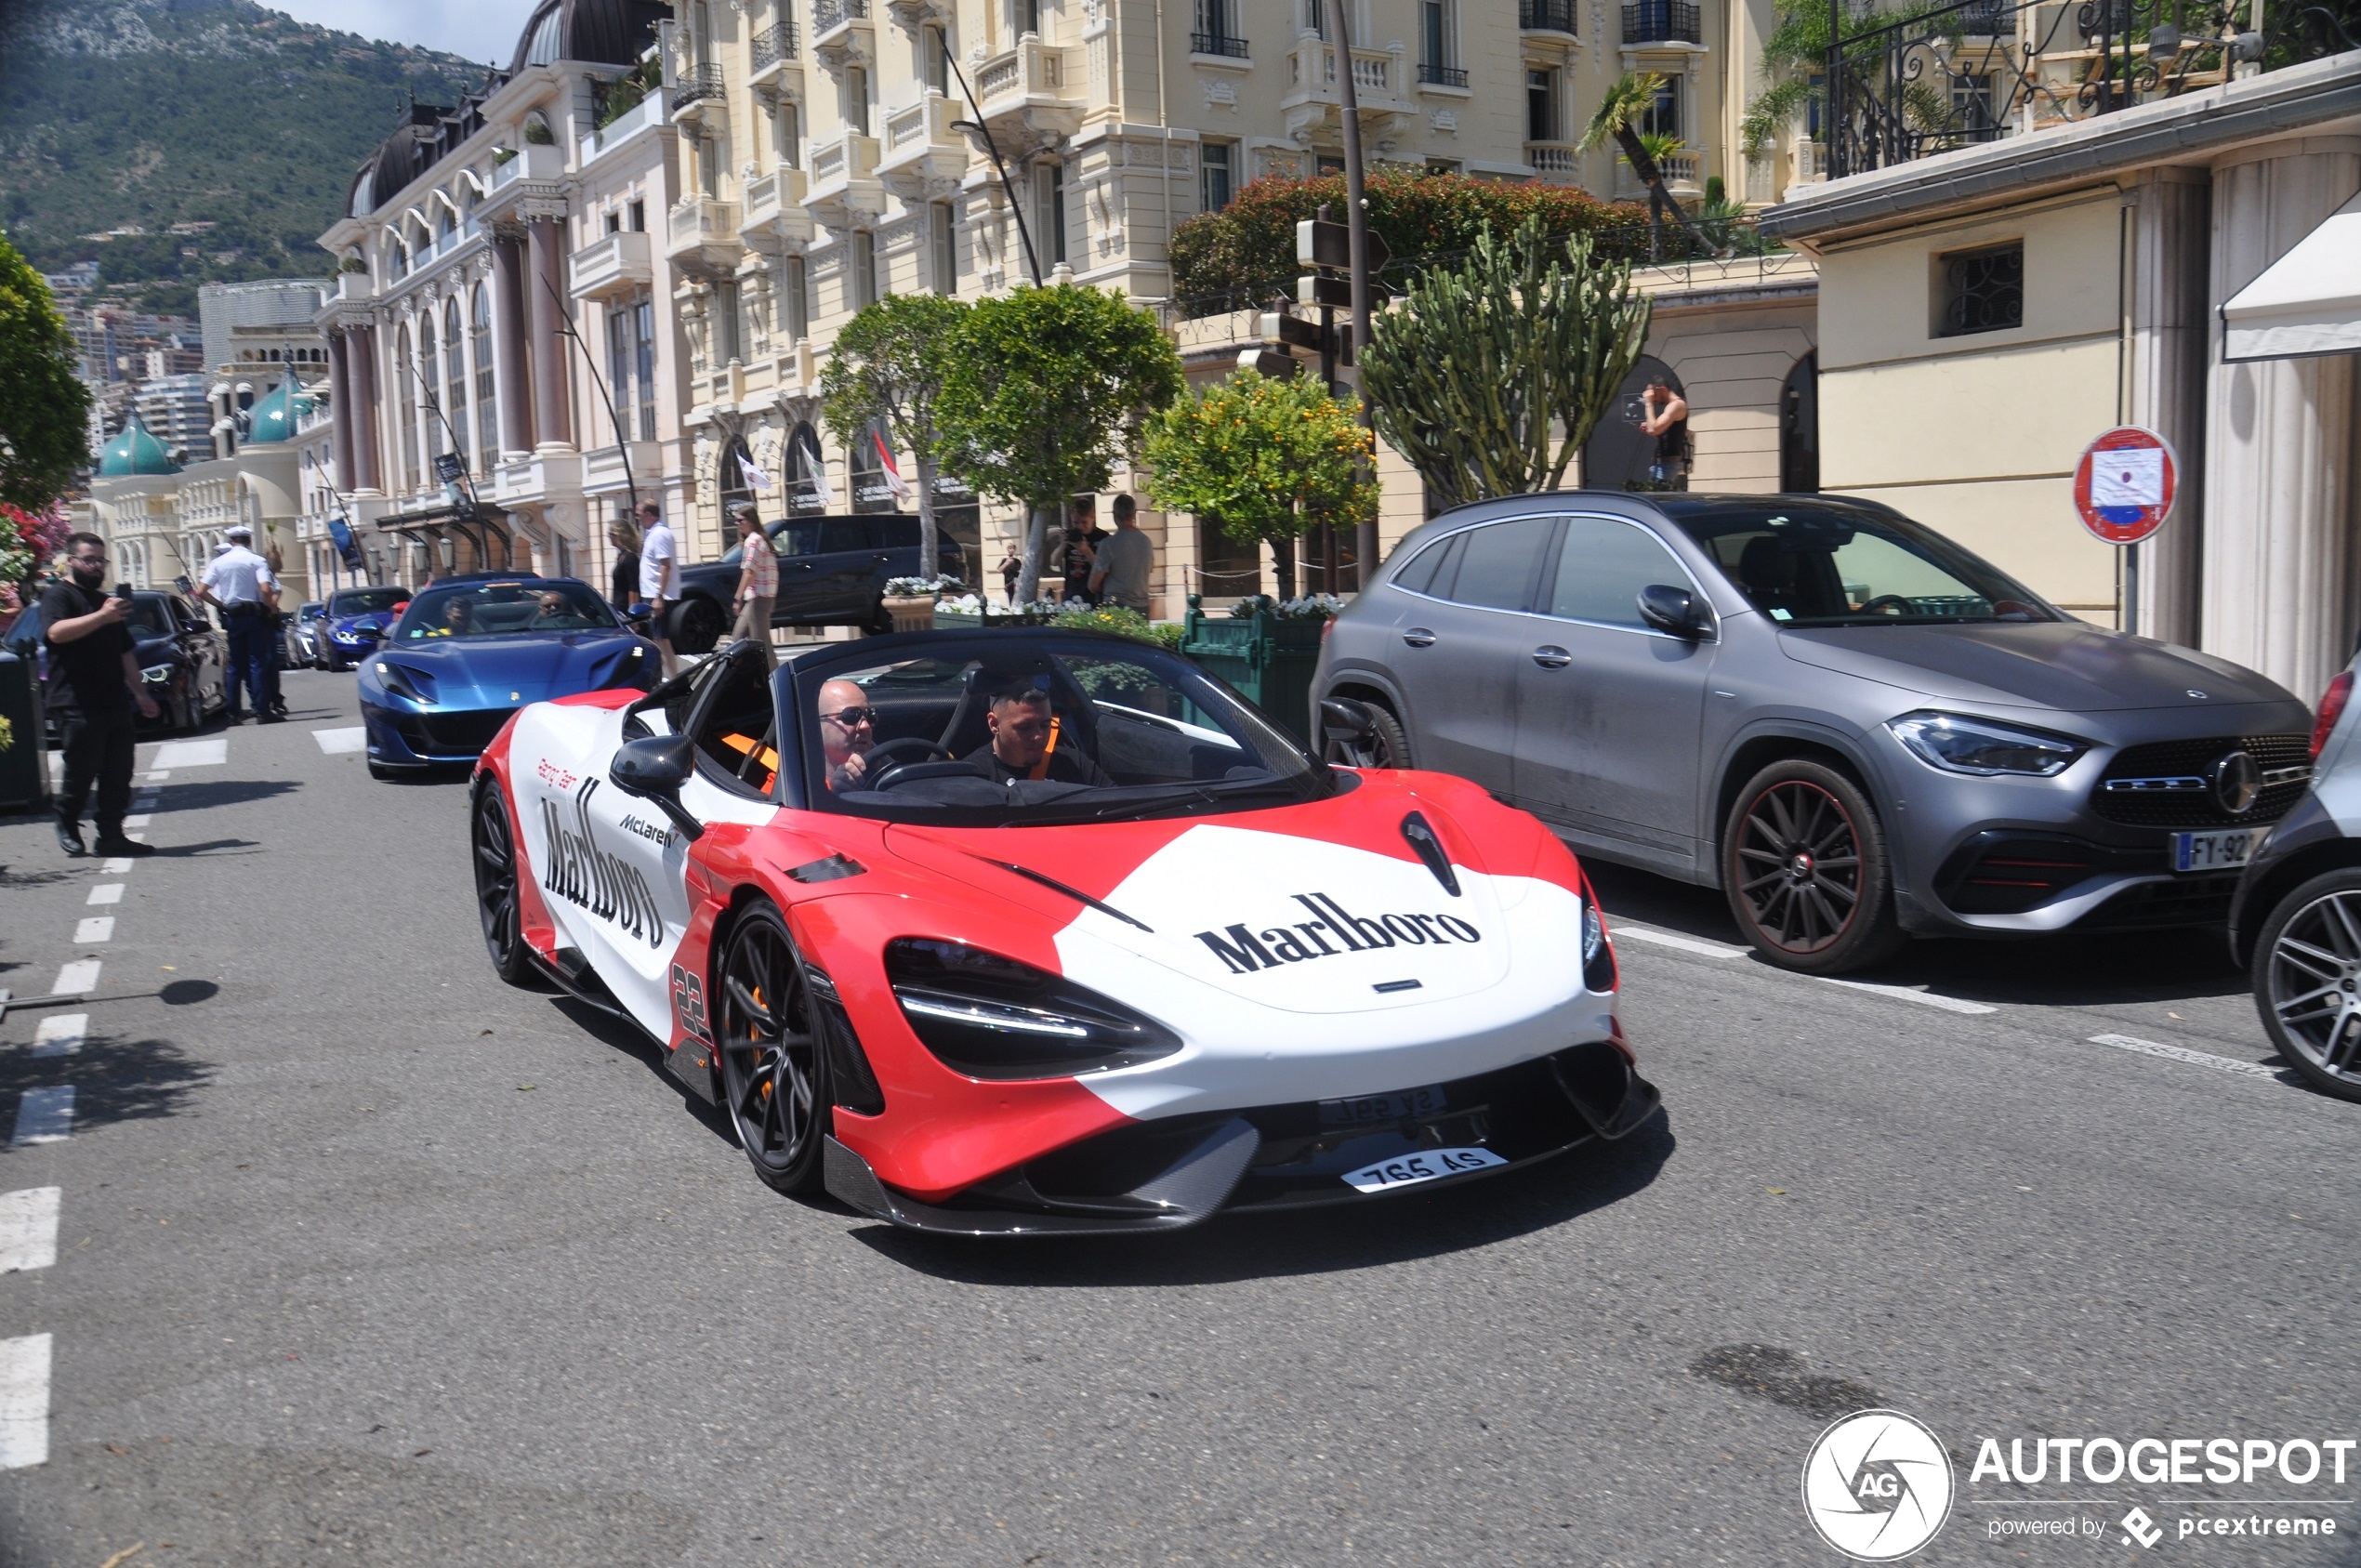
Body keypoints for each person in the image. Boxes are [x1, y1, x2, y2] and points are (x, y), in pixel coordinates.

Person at [41, 533, 160, 858]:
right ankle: (66, 818)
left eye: (100, 561)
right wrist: (102, 616)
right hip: (74, 701)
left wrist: (141, 693)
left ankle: (111, 835)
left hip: (114, 700)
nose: (96, 566)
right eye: (88, 559)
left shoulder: (105, 602)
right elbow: (55, 633)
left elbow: (125, 652)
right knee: (81, 771)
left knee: (118, 774)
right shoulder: (58, 595)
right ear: (71, 561)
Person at [197, 522, 280, 722]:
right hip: (254, 615)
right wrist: (270, 609)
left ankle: (233, 712)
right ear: (249, 541)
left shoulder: (219, 563)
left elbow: (200, 591)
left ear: (231, 541)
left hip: (232, 617)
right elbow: (267, 589)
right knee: (257, 663)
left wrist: (222, 606)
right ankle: (262, 711)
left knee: (235, 665)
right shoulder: (256, 560)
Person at [963, 678, 1113, 786]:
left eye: (1045, 725)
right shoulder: (972, 777)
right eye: (1024, 727)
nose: (1038, 736)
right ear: (994, 724)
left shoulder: (1076, 764)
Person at [1088, 494, 1154, 613]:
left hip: (1116, 607)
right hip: (1142, 607)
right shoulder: (1146, 542)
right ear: (1134, 513)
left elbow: (1093, 585)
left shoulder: (1108, 544)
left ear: (1114, 514)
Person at [730, 501, 775, 668]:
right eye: (736, 521)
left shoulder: (754, 541)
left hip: (760, 598)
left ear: (751, 521)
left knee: (761, 644)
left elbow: (749, 572)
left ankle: (774, 681)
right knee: (738, 640)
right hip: (757, 598)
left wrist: (737, 598)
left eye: (740, 520)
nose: (737, 524)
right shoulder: (758, 539)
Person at [637, 498, 679, 676]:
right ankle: (663, 677)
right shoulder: (652, 534)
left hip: (659, 596)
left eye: (638, 515)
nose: (637, 518)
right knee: (656, 639)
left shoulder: (660, 534)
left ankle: (676, 678)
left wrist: (659, 596)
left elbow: (665, 565)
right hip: (651, 595)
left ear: (648, 514)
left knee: (662, 639)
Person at [816, 678, 877, 792]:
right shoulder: (799, 788)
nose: (865, 725)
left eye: (870, 715)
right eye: (851, 715)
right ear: (816, 725)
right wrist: (834, 794)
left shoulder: (887, 770)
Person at [1637, 377, 1691, 490]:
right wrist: (1651, 428)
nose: (1653, 398)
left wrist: (1649, 403)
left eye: (1653, 394)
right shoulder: (1670, 407)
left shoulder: (1677, 405)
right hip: (1661, 464)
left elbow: (1654, 429)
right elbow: (1661, 432)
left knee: (1658, 499)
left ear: (1663, 389)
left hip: (1668, 466)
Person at [1061, 501, 1104, 606]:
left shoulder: (1102, 537)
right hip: (1071, 593)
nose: (1080, 527)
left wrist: (1086, 550)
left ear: (1092, 517)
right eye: (1076, 523)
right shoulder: (1070, 535)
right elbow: (1053, 561)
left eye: (1084, 522)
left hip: (1093, 595)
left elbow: (1101, 567)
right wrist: (1062, 545)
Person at [607, 520, 641, 612]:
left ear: (618, 535)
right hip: (619, 609)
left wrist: (633, 615)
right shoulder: (621, 556)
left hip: (626, 611)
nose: (608, 536)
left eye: (610, 533)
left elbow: (634, 588)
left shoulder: (630, 558)